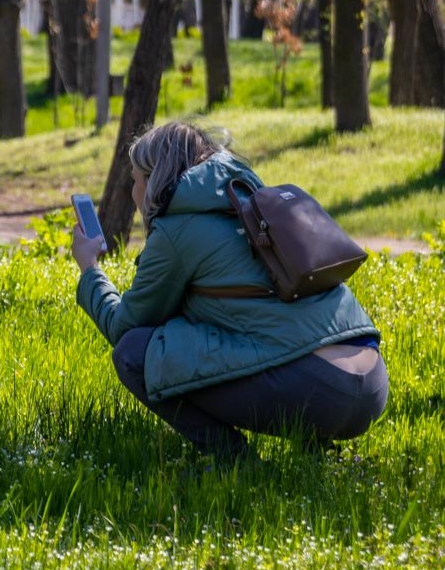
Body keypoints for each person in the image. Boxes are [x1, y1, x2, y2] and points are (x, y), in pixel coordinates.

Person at [71, 122, 387, 459]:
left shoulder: (178, 230)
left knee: (134, 352)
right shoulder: (251, 200)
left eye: (134, 179)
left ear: (152, 180)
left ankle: (232, 460)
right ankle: (314, 447)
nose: (133, 191)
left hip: (320, 392)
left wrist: (90, 269)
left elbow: (124, 328)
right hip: (371, 382)